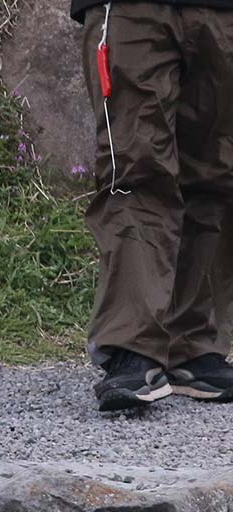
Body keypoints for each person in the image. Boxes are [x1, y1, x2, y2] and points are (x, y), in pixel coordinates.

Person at [72, 0, 233, 410]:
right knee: (134, 171)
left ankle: (193, 343)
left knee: (215, 175)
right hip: (131, 9)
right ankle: (134, 342)